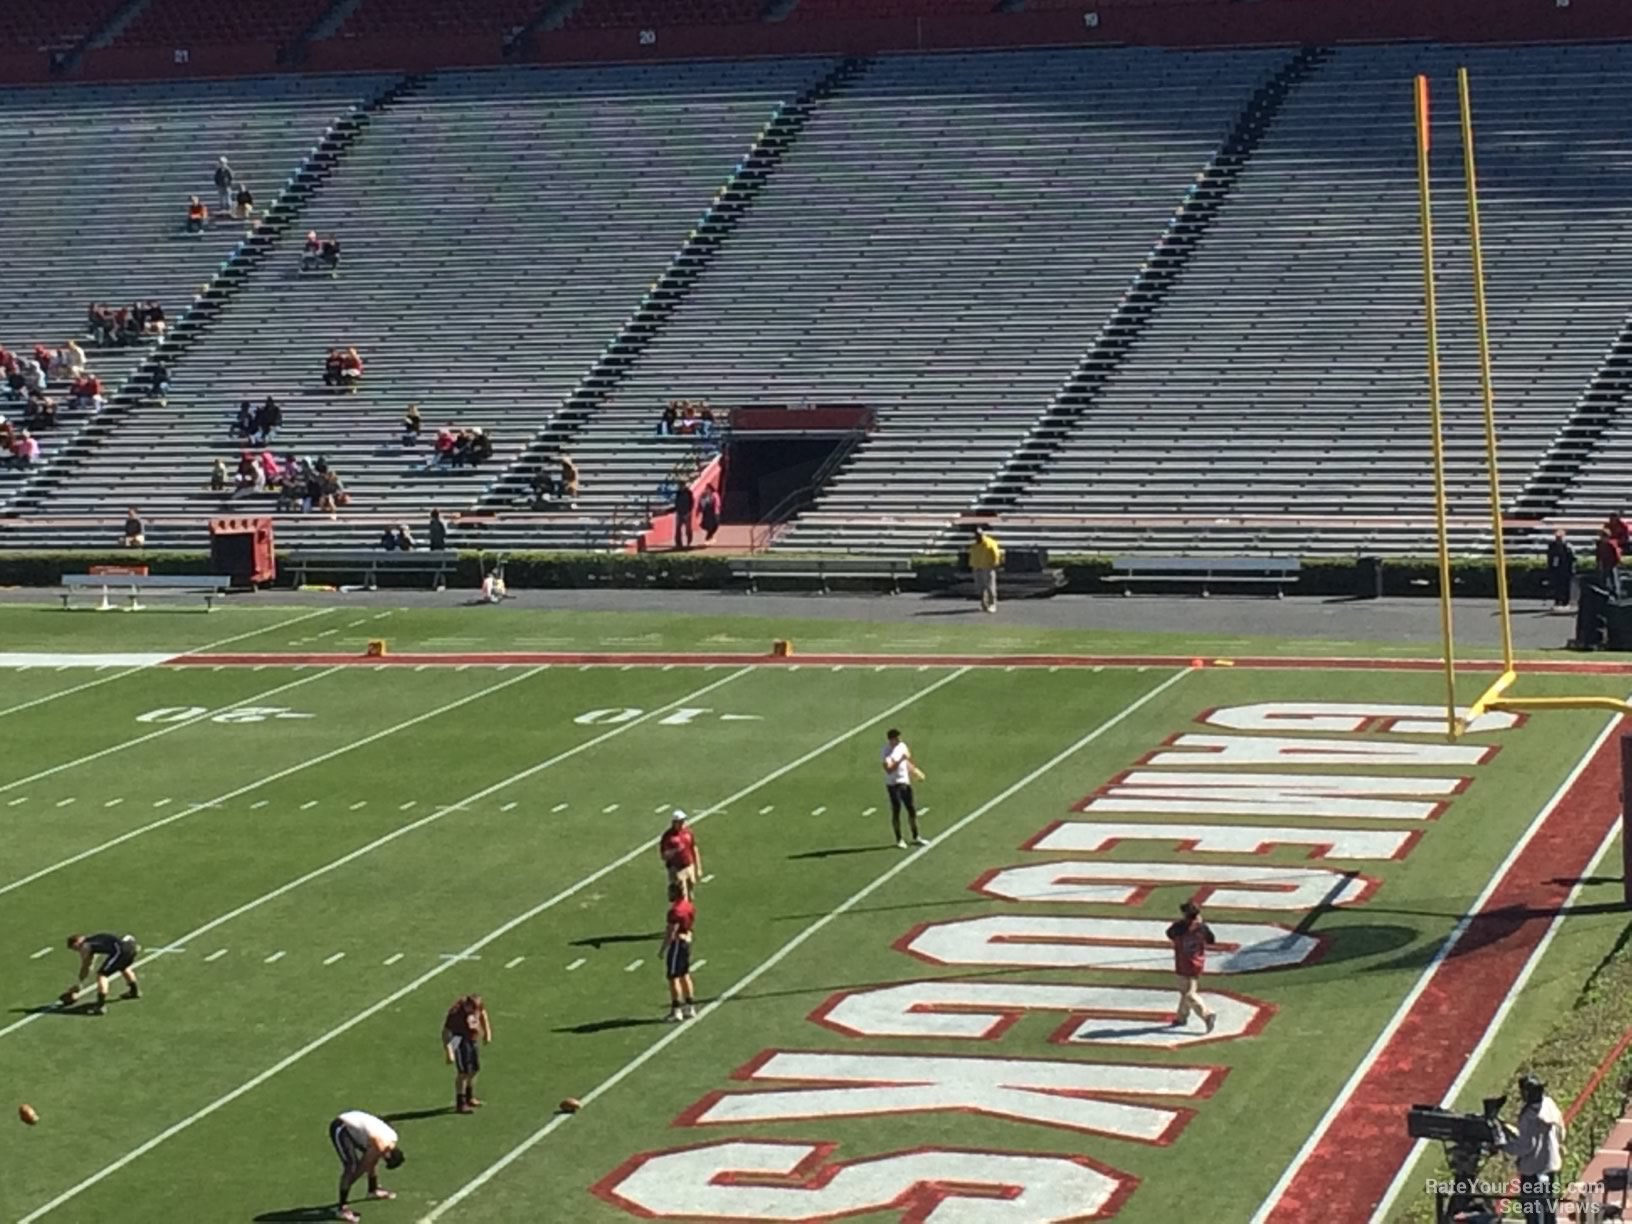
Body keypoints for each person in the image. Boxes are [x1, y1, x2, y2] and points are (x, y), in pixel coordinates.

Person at [1497, 1074, 1563, 1224]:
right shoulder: (1549, 1104)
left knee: (1532, 1210)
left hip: (1533, 1169)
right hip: (1551, 1163)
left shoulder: (1528, 1117)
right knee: (1548, 1208)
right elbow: (1560, 1130)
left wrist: (1504, 1145)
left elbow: (1526, 1146)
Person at [327, 1109, 405, 1223]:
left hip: (357, 1129)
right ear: (388, 1154)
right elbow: (363, 1165)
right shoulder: (381, 1144)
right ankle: (341, 1208)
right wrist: (349, 1182)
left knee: (373, 1157)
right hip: (342, 1127)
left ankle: (373, 1189)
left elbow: (373, 1158)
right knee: (351, 1166)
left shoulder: (392, 1138)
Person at [1165, 901, 1218, 1033]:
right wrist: (1201, 925)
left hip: (1183, 963)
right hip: (1197, 963)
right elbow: (1211, 940)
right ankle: (1181, 1017)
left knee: (1189, 994)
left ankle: (1206, 1014)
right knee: (1186, 991)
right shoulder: (1201, 927)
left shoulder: (1179, 927)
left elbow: (1169, 933)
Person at [63, 932, 141, 1014]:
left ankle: (100, 1005)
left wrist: (79, 984)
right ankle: (134, 991)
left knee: (102, 975)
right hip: (131, 944)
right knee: (122, 966)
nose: (77, 951)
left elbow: (86, 965)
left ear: (77, 942)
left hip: (121, 949)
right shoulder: (94, 940)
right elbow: (90, 963)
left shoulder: (85, 945)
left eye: (75, 948)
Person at [442, 994, 493, 1114]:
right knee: (463, 1072)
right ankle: (461, 1102)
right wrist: (449, 1051)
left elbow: (483, 1014)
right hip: (458, 1039)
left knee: (474, 1069)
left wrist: (487, 1032)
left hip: (471, 1038)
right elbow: (446, 1032)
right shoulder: (456, 1012)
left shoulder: (477, 1006)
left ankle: (470, 1096)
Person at [881, 728, 926, 848]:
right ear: (891, 739)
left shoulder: (902, 746)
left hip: (904, 781)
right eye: (896, 738)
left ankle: (916, 836)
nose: (899, 740)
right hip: (893, 784)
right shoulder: (886, 752)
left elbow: (907, 762)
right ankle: (899, 839)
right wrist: (899, 759)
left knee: (911, 809)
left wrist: (915, 772)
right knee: (896, 810)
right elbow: (888, 769)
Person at [661, 881, 697, 1023]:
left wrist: (663, 949)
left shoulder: (675, 911)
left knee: (673, 977)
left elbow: (671, 931)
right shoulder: (688, 906)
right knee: (685, 974)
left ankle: (676, 1010)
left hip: (677, 943)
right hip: (687, 941)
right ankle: (690, 1006)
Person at [659, 809, 702, 899]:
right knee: (682, 894)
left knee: (691, 888)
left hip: (688, 864)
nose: (683, 823)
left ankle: (687, 908)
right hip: (676, 868)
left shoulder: (688, 832)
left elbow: (694, 848)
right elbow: (663, 855)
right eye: (680, 821)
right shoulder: (668, 836)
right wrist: (674, 851)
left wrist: (698, 867)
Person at [969, 524, 1004, 613]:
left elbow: (996, 554)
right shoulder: (975, 545)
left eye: (979, 534)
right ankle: (983, 604)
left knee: (990, 586)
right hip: (977, 567)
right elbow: (973, 555)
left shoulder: (990, 543)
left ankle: (993, 604)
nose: (977, 536)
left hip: (988, 566)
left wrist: (995, 564)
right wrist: (973, 565)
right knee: (980, 587)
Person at [1545, 529, 1574, 611]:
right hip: (1556, 569)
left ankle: (1566, 602)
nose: (1558, 539)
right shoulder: (1552, 546)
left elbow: (1572, 559)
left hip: (1565, 569)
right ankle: (1557, 601)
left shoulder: (1568, 546)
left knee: (1566, 585)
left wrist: (1571, 570)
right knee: (1556, 585)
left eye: (1560, 537)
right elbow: (1550, 557)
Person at [1595, 526, 1621, 600]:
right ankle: (1605, 593)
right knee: (1604, 579)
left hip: (1612, 565)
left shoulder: (1611, 544)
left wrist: (1616, 562)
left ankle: (1616, 594)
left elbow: (1616, 555)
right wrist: (1599, 563)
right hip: (1605, 564)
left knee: (1614, 580)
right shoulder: (1600, 545)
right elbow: (1598, 555)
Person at [673, 481, 695, 550]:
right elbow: (676, 503)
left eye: (681, 486)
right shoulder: (678, 493)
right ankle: (678, 544)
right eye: (679, 486)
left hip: (687, 513)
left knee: (688, 529)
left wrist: (689, 512)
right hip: (679, 513)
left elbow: (692, 503)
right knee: (677, 529)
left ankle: (689, 543)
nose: (680, 487)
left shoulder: (689, 493)